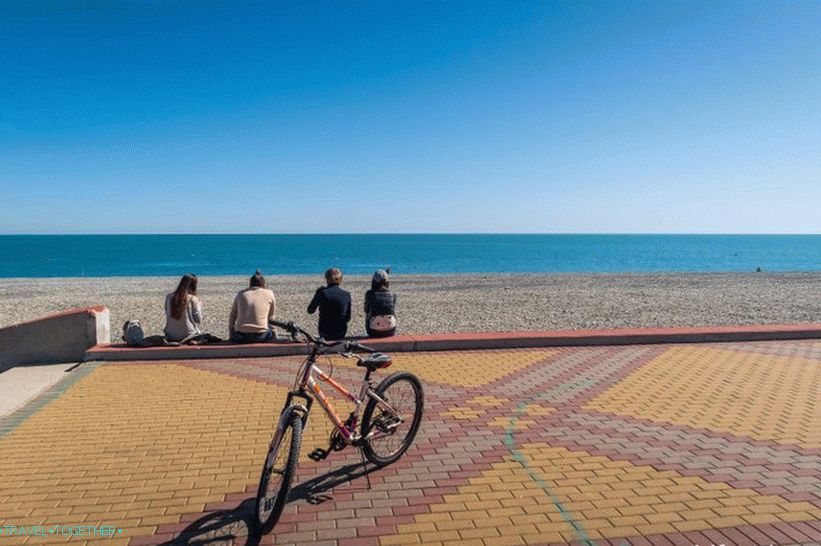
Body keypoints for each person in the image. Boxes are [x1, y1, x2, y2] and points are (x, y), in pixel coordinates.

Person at [229, 270, 276, 343]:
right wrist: (274, 334)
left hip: (241, 336)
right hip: (261, 336)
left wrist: (231, 333)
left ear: (250, 284)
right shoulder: (269, 293)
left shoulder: (241, 294)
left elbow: (233, 315)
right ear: (263, 284)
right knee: (268, 327)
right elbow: (271, 317)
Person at [307, 267, 351, 340]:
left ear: (327, 279)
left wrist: (317, 295)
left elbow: (310, 310)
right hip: (341, 332)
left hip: (325, 331)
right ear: (340, 280)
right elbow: (347, 317)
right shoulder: (346, 294)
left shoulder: (322, 293)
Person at [164, 273, 203, 342]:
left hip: (170, 335)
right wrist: (199, 306)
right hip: (189, 335)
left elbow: (167, 314)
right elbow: (198, 320)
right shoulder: (192, 298)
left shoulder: (169, 297)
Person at [364, 269, 396, 338]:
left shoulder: (369, 294)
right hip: (391, 330)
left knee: (369, 312)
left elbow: (366, 310)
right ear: (387, 282)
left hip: (373, 332)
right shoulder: (392, 295)